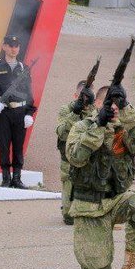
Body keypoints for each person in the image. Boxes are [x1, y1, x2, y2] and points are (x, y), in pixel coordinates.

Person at [65, 85, 135, 269]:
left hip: (117, 199)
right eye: (107, 104)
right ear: (97, 105)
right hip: (89, 206)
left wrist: (127, 109)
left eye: (116, 105)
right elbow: (75, 158)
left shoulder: (125, 128)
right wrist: (98, 126)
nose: (112, 109)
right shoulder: (81, 127)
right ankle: (92, 257)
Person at [0, 35, 37, 188]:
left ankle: (17, 179)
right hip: (3, 113)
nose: (13, 49)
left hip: (20, 112)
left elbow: (29, 94)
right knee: (4, 146)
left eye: (16, 46)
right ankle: (6, 178)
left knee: (18, 146)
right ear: (4, 46)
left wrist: (29, 113)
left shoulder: (23, 68)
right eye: (10, 45)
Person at [56, 79, 99, 225]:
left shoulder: (96, 111)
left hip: (90, 161)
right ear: (76, 95)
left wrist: (92, 109)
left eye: (89, 96)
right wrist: (75, 113)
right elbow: (61, 134)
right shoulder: (66, 110)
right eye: (82, 96)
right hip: (68, 161)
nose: (85, 100)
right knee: (69, 217)